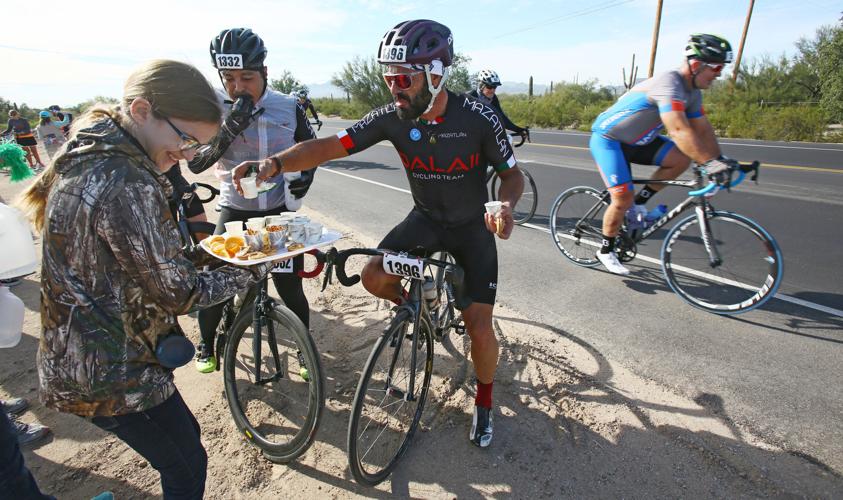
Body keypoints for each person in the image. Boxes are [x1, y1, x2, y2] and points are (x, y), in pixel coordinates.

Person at [232, 19, 524, 448]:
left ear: (436, 74)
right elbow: (327, 147)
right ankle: (414, 307)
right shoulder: (392, 117)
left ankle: (484, 402)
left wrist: (506, 206)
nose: (394, 89)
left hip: (470, 229)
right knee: (372, 274)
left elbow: (512, 177)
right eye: (388, 78)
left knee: (479, 327)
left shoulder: (478, 117)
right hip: (425, 219)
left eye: (403, 79)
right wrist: (273, 164)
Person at [18, 59, 274, 499]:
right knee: (186, 466)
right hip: (110, 369)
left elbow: (143, 262)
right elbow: (181, 293)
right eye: (185, 139)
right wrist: (254, 266)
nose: (187, 155)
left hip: (93, 355)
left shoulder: (95, 156)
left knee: (184, 446)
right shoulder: (126, 182)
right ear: (141, 111)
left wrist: (216, 252)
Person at [187, 28, 318, 373]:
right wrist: (230, 127)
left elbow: (312, 150)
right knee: (214, 282)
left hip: (279, 212)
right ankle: (206, 343)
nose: (238, 87)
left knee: (290, 287)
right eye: (229, 78)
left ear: (265, 72)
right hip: (235, 209)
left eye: (247, 77)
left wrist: (307, 175)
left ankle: (304, 349)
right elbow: (196, 163)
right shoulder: (213, 106)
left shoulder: (288, 105)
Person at [589, 33, 738, 275]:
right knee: (622, 198)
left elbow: (703, 130)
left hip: (638, 141)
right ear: (696, 65)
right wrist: (709, 164)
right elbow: (678, 130)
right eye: (717, 67)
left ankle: (638, 205)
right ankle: (606, 250)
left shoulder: (693, 93)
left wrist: (719, 160)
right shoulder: (669, 83)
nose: (719, 74)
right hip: (610, 140)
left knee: (680, 159)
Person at [466, 70, 528, 142]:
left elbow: (501, 119)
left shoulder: (493, 99)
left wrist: (519, 130)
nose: (492, 90)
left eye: (494, 87)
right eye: (489, 86)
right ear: (481, 85)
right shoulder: (469, 97)